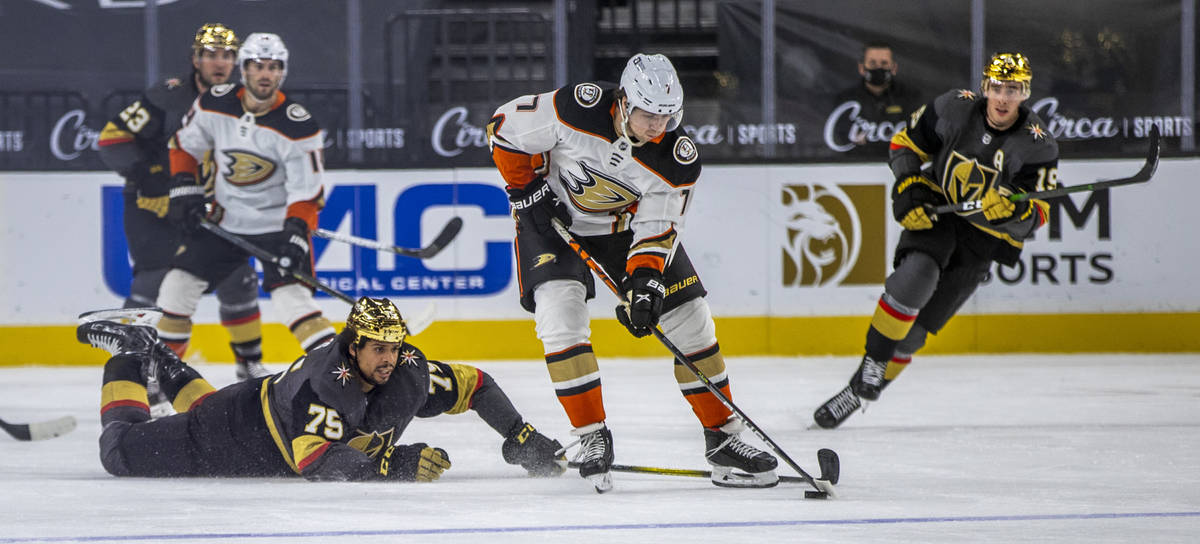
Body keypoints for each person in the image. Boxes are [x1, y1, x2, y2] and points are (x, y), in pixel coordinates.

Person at [486, 53, 778, 492]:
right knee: (559, 316)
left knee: (691, 320)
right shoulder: (576, 108)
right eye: (647, 115)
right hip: (553, 224)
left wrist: (645, 286)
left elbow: (657, 227)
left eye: (666, 116)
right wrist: (526, 191)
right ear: (623, 102)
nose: (657, 126)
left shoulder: (676, 159)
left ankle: (723, 439)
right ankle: (591, 437)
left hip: (624, 232)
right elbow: (502, 129)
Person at [813, 53, 1059, 429]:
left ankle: (858, 391)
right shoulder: (953, 107)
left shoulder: (1038, 145)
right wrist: (910, 185)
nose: (1003, 98)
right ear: (984, 87)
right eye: (997, 87)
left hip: (984, 239)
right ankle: (874, 361)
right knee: (917, 276)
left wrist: (1011, 213)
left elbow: (1038, 214)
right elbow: (904, 144)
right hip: (939, 209)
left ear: (1024, 92)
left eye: (1012, 89)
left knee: (913, 337)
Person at [76, 298, 567, 480]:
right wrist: (391, 464)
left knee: (205, 405)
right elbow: (315, 461)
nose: (389, 360)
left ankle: (158, 354)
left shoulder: (407, 370)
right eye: (377, 349)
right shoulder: (326, 387)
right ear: (353, 348)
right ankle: (130, 351)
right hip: (232, 436)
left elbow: (477, 384)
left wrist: (519, 436)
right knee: (118, 448)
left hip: (256, 402)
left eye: (395, 348)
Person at [97, 23, 267, 383]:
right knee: (154, 284)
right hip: (154, 210)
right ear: (195, 59)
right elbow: (112, 140)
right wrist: (152, 179)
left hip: (203, 211)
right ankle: (130, 369)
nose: (218, 62)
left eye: (226, 55)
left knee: (239, 277)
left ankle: (249, 364)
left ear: (236, 61)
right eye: (209, 55)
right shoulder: (168, 96)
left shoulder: (244, 102)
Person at [156, 32, 335, 372]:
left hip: (275, 228)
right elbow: (184, 146)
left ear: (283, 72)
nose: (265, 74)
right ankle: (160, 377)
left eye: (273, 67)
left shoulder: (298, 127)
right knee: (176, 288)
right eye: (257, 65)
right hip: (223, 222)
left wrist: (297, 230)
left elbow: (307, 193)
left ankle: (338, 381)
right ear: (243, 68)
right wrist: (184, 185)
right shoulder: (214, 103)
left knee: (292, 302)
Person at [831, 41, 923, 157]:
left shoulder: (911, 97)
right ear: (861, 68)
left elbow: (916, 140)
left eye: (884, 63)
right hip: (855, 168)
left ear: (894, 68)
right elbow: (842, 141)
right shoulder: (846, 101)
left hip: (899, 166)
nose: (878, 68)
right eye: (872, 63)